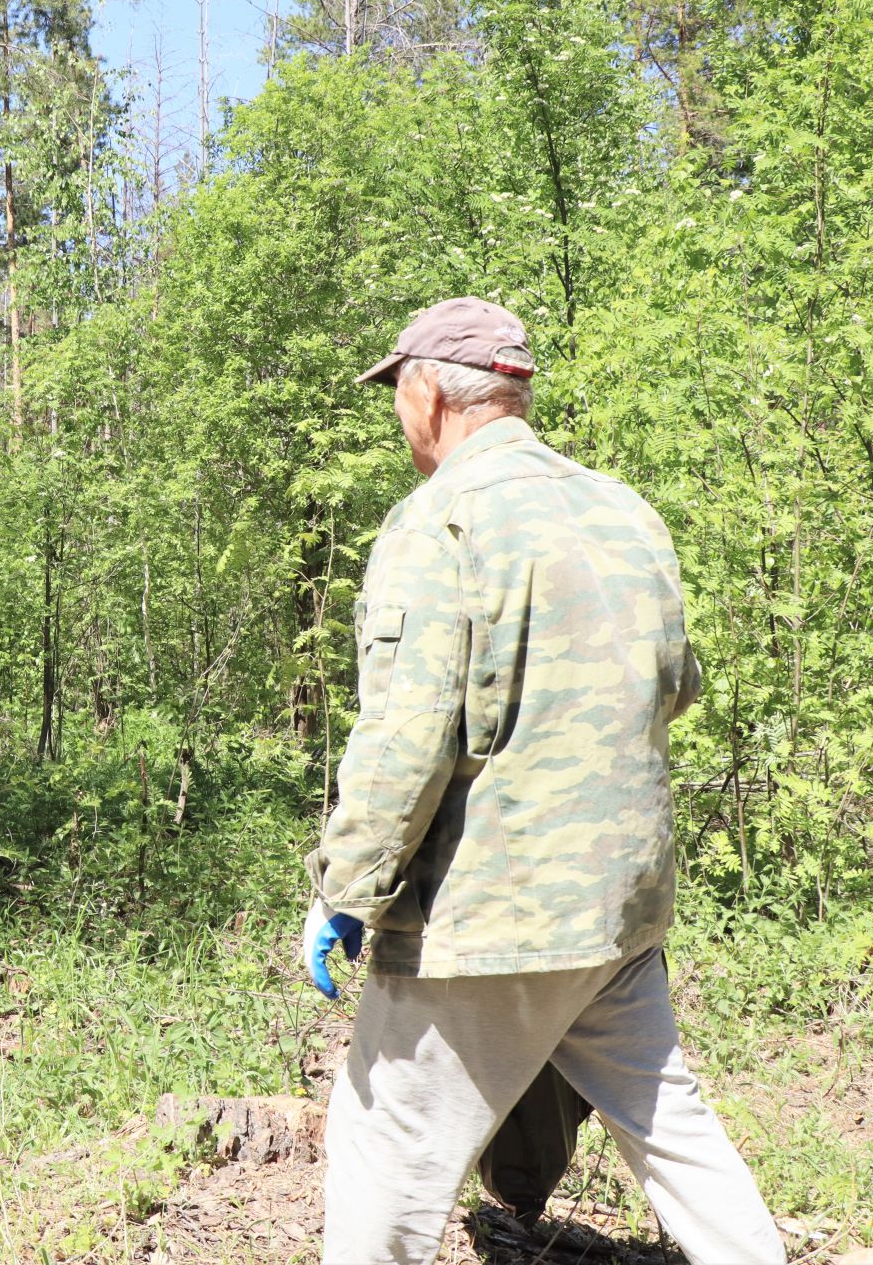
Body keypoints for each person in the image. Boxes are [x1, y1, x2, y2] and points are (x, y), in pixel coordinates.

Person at [302, 297, 785, 1264]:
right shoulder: (624, 510)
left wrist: (345, 892)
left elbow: (406, 738)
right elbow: (675, 685)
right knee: (674, 1134)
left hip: (492, 916)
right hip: (619, 911)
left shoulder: (438, 520)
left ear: (430, 390)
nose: (398, 412)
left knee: (382, 1144)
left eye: (397, 390)